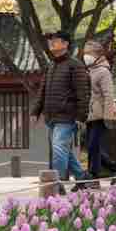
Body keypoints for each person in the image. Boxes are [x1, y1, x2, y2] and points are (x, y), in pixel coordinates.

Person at [31, 31, 92, 194]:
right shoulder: (51, 66)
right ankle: (82, 177)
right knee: (62, 149)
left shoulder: (75, 65)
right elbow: (42, 91)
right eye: (51, 41)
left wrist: (81, 116)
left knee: (58, 148)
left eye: (56, 41)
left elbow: (83, 93)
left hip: (67, 116)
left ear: (65, 44)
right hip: (51, 116)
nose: (52, 44)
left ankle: (56, 184)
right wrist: (35, 112)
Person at [82, 40, 116, 188]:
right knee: (92, 146)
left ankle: (93, 175)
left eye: (89, 53)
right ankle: (115, 167)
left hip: (101, 115)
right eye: (85, 53)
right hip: (90, 115)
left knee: (94, 145)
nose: (86, 56)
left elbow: (108, 95)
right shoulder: (89, 70)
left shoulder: (103, 72)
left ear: (98, 55)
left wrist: (108, 116)